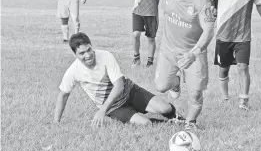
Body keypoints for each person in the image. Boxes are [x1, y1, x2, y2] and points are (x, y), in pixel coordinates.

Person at [54, 32, 184, 126]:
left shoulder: (105, 56)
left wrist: (101, 111)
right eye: (82, 53)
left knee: (165, 108)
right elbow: (63, 95)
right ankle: (171, 124)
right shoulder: (73, 71)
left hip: (130, 91)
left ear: (91, 46)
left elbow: (119, 86)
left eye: (89, 50)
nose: (87, 55)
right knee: (145, 124)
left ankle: (177, 117)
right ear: (75, 54)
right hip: (114, 107)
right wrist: (56, 122)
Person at [155, 0, 215, 130]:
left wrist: (194, 53)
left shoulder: (203, 1)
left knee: (195, 93)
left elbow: (209, 31)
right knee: (161, 87)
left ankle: (190, 122)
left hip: (193, 53)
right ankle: (176, 81)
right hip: (168, 49)